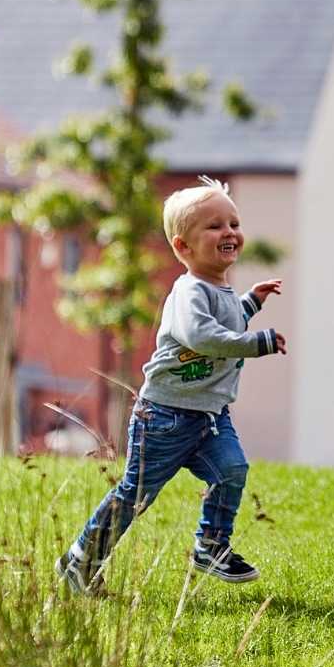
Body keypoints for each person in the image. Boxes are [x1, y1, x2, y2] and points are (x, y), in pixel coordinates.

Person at [56, 177, 286, 595]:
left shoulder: (221, 290)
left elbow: (228, 319)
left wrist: (251, 302)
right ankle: (81, 559)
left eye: (233, 222)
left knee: (232, 469)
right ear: (183, 247)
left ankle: (211, 546)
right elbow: (204, 337)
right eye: (214, 226)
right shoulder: (189, 293)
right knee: (135, 495)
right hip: (164, 417)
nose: (229, 232)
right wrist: (258, 344)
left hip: (210, 416)